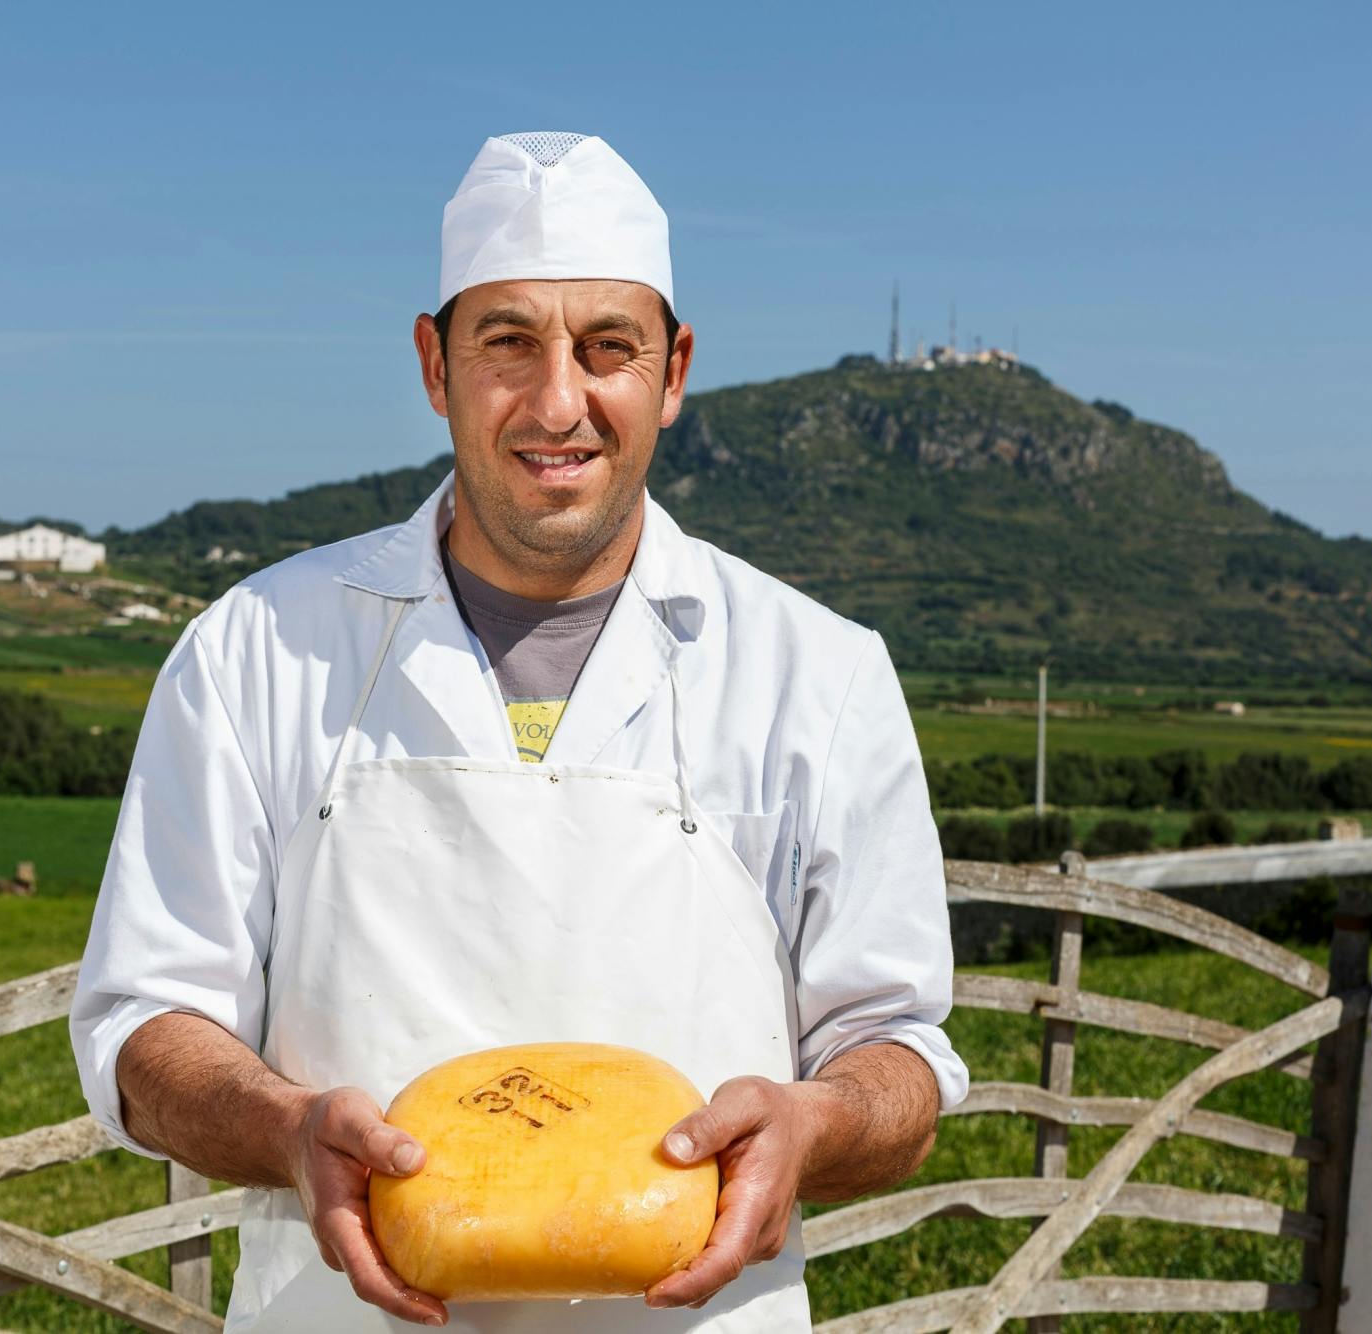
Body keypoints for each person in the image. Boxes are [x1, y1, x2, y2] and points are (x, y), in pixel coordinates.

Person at [71, 131, 967, 1333]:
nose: (559, 402)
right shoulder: (254, 649)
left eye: (608, 347)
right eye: (505, 342)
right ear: (433, 364)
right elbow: (144, 1024)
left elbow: (895, 1047)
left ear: (674, 369)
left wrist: (816, 1122)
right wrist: (286, 1130)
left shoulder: (818, 672)